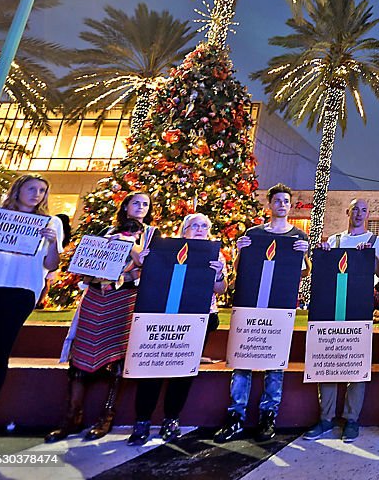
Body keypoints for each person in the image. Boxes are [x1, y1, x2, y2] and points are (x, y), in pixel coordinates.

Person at [46, 192, 151, 442]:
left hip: (125, 298)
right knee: (79, 359)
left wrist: (129, 250)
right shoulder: (106, 229)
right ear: (125, 206)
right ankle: (72, 415)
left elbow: (151, 266)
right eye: (136, 202)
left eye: (145, 204)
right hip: (96, 295)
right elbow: (86, 262)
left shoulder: (152, 235)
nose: (140, 207)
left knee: (117, 360)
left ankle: (107, 416)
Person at [214, 184, 310, 444]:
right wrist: (240, 251)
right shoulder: (253, 234)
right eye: (277, 200)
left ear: (290, 206)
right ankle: (236, 415)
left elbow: (303, 273)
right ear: (269, 205)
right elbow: (239, 270)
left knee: (275, 363)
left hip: (280, 306)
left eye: (286, 201)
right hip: (251, 305)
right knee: (243, 360)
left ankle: (269, 415)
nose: (281, 204)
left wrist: (305, 257)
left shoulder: (299, 237)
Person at [128, 213, 228, 445]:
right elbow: (136, 275)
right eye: (195, 226)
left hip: (199, 318)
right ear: (184, 230)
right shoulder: (166, 249)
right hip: (162, 316)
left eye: (205, 225)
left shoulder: (216, 255)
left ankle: (171, 419)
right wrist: (143, 260)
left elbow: (221, 290)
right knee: (151, 368)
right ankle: (142, 420)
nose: (200, 229)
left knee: (182, 370)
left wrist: (219, 274)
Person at [0, 175, 63, 425]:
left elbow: (52, 264)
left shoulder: (52, 223)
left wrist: (51, 242)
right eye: (32, 189)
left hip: (21, 291)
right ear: (17, 190)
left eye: (42, 190)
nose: (37, 194)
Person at [304, 197, 379, 444]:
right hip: (334, 307)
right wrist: (322, 254)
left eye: (364, 210)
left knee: (356, 365)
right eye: (356, 210)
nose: (360, 214)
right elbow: (321, 271)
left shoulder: (375, 241)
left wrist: (370, 259)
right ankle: (326, 418)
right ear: (347, 212)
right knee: (329, 361)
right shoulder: (335, 240)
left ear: (368, 214)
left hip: (359, 308)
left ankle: (351, 419)